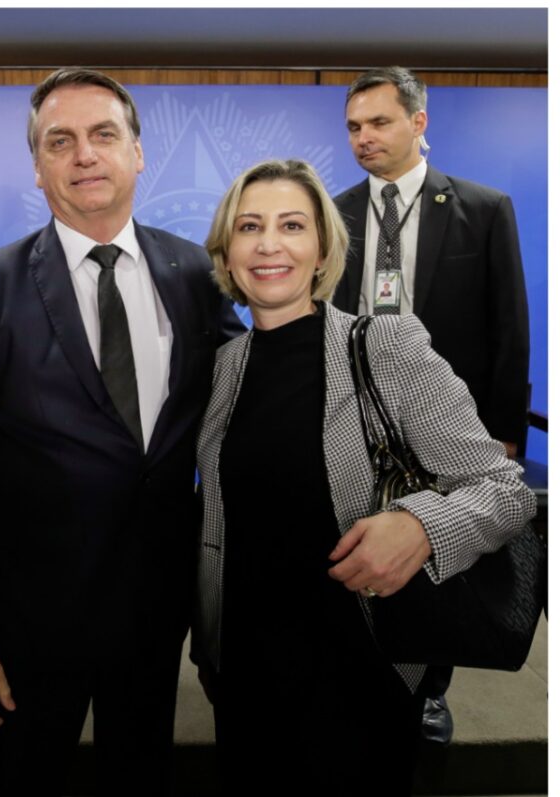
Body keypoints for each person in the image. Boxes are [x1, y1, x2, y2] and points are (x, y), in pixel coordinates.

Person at [0, 67, 242, 795]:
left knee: (142, 778)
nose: (84, 155)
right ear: (37, 167)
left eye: (104, 134)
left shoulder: (195, 272)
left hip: (157, 610)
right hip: (28, 624)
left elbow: (248, 400)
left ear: (138, 152)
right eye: (59, 141)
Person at [194, 158, 535, 795]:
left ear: (323, 249)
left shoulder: (386, 346)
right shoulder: (221, 368)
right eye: (249, 227)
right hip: (244, 675)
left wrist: (421, 527)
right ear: (227, 253)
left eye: (292, 225)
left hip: (360, 675)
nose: (269, 244)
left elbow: (504, 490)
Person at [331, 65, 530, 742]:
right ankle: (357, 675)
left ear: (418, 122)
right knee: (361, 543)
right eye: (353, 126)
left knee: (439, 548)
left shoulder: (483, 207)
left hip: (446, 419)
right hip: (354, 414)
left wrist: (503, 432)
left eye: (379, 122)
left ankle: (429, 691)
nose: (363, 137)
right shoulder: (333, 211)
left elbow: (509, 326)